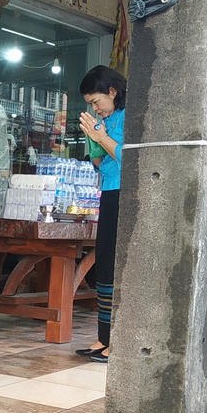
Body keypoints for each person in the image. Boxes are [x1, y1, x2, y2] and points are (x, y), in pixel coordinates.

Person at [75, 65, 126, 363]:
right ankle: (103, 336)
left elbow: (129, 157)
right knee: (104, 264)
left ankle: (117, 341)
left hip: (124, 194)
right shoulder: (104, 121)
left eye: (96, 101)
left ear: (112, 91)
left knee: (116, 265)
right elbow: (99, 164)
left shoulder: (130, 116)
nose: (95, 109)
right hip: (108, 192)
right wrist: (94, 140)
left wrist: (101, 136)